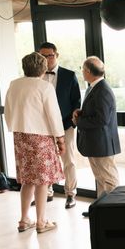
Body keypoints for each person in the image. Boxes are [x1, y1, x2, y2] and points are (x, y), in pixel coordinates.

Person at [4, 52, 65, 234]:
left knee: (27, 179)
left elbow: (8, 111)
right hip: (40, 137)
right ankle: (41, 221)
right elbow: (53, 115)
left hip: (20, 136)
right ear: (44, 68)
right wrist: (60, 138)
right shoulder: (44, 87)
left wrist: (16, 127)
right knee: (42, 181)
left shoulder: (14, 84)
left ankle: (24, 220)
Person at [72, 56, 120, 216]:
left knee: (109, 179)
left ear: (87, 71)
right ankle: (101, 211)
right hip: (95, 143)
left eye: (83, 70)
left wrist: (79, 121)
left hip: (102, 143)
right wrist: (82, 113)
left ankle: (114, 212)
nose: (82, 73)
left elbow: (102, 120)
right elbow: (96, 112)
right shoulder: (94, 87)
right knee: (100, 179)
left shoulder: (103, 90)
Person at [38, 42, 81, 209]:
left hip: (65, 125)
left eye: (49, 55)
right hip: (42, 127)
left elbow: (76, 102)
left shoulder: (69, 75)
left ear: (56, 55)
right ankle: (47, 192)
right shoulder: (36, 76)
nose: (46, 59)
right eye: (42, 55)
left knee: (68, 161)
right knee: (46, 161)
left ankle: (70, 194)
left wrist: (69, 123)